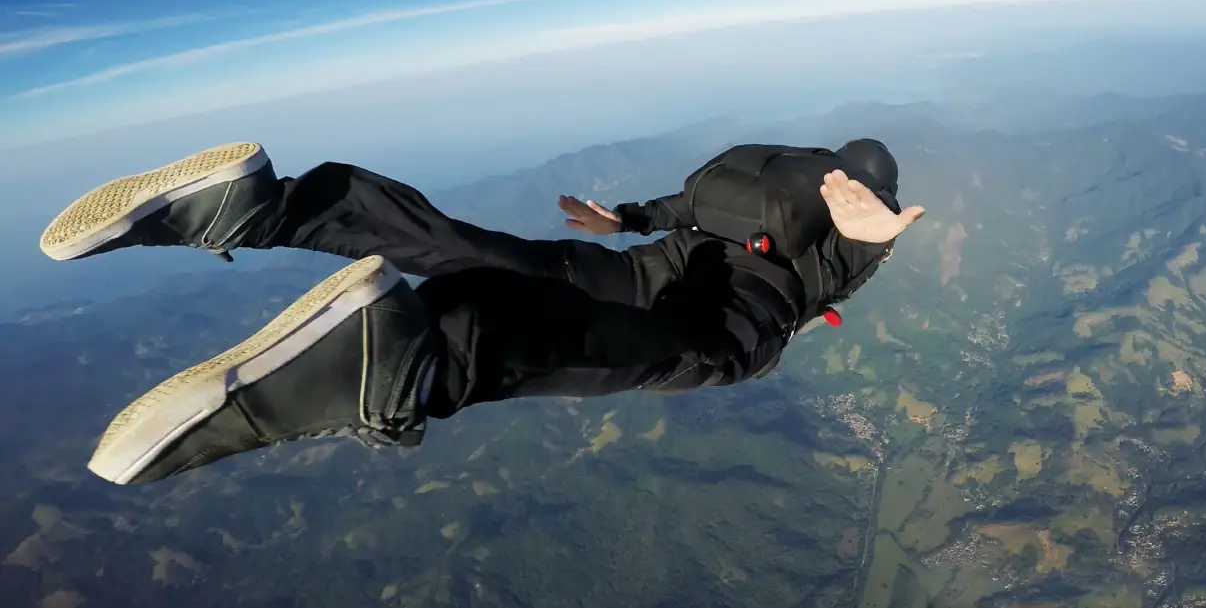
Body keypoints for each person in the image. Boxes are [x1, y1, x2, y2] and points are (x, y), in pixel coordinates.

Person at [38, 139, 926, 486]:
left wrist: (623, 220)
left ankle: (273, 207)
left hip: (653, 257)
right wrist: (875, 239)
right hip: (740, 305)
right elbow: (844, 259)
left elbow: (683, 204)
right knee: (676, 354)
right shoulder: (852, 223)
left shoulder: (770, 168)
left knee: (499, 257)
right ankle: (411, 362)